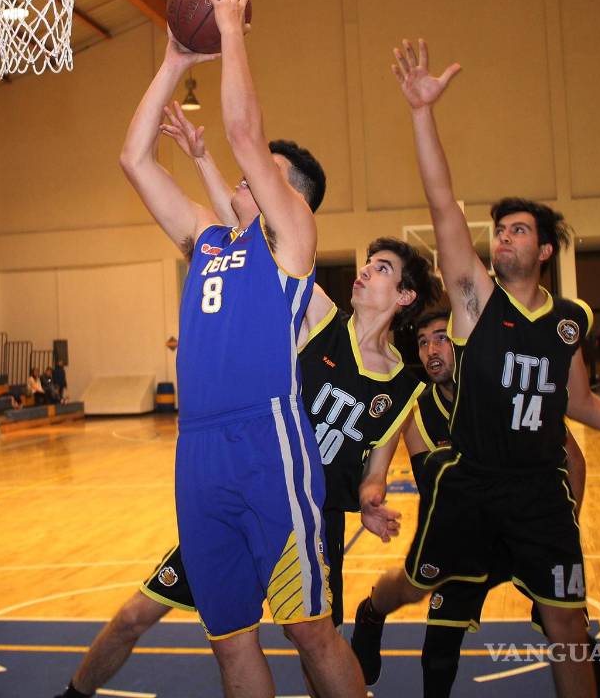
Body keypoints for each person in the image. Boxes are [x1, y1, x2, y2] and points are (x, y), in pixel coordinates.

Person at [348, 39, 600, 697]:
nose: (502, 236)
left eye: (516, 230)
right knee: (414, 585)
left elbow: (582, 406)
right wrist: (422, 113)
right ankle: (372, 610)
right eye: (500, 229)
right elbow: (442, 202)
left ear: (542, 251)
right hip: (471, 484)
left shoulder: (568, 321)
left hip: (540, 491)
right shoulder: (475, 302)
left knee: (566, 622)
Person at [58, 100, 438, 697]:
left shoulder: (402, 386)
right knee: (197, 628)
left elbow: (377, 466)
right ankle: (77, 689)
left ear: (406, 295)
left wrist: (370, 498)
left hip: (304, 501)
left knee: (314, 643)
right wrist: (205, 161)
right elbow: (254, 235)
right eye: (367, 263)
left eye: (382, 268)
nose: (366, 271)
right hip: (242, 473)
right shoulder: (321, 317)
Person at [119, 0, 362, 697]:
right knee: (230, 641)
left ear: (294, 198)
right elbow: (134, 160)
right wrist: (174, 60)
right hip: (196, 451)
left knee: (310, 630)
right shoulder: (208, 237)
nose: (247, 177)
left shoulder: (291, 242)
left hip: (267, 442)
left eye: (266, 176)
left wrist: (228, 30)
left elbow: (244, 135)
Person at [404, 312, 600, 697]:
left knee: (573, 634)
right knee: (438, 648)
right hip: (470, 544)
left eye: (441, 338)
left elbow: (575, 459)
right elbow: (433, 493)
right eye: (422, 342)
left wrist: (561, 530)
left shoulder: (510, 390)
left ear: (463, 342)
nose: (431, 350)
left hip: (526, 533)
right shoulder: (418, 413)